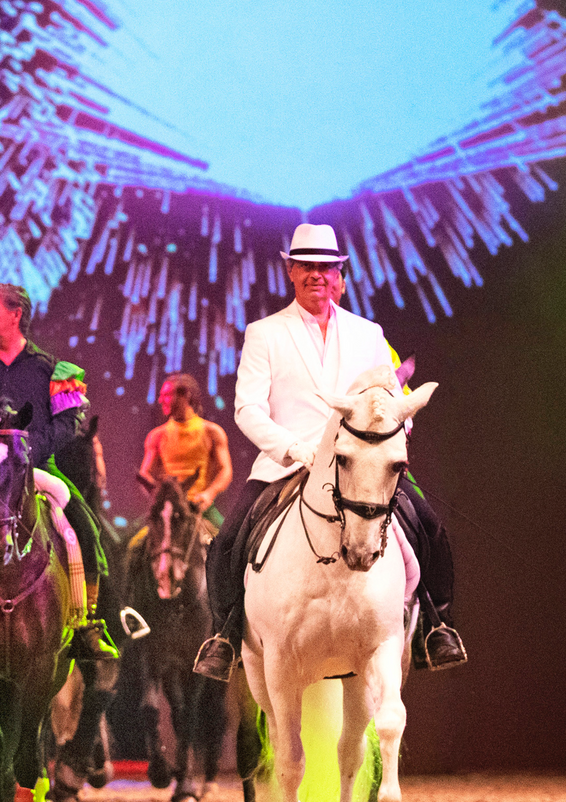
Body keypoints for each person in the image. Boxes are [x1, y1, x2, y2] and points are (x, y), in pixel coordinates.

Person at [192, 223, 465, 682]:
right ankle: (224, 636)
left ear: (339, 273)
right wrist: (294, 449)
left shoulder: (367, 333)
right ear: (291, 271)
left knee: (431, 529)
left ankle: (435, 627)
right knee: (227, 542)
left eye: (326, 267)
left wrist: (398, 423)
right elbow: (247, 410)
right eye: (308, 266)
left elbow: (391, 397)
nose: (317, 275)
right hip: (287, 462)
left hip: (360, 462)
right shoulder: (265, 333)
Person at [0, 283, 118, 662]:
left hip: (38, 471)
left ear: (16, 315)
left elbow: (68, 424)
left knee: (85, 527)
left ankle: (88, 622)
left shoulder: (53, 370)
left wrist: (26, 453)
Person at [136, 373, 232, 521]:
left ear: (185, 395)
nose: (161, 400)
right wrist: (160, 495)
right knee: (132, 543)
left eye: (167, 394)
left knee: (229, 541)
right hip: (168, 508)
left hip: (201, 507)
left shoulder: (212, 432)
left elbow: (225, 470)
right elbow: (145, 473)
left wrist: (210, 493)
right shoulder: (156, 436)